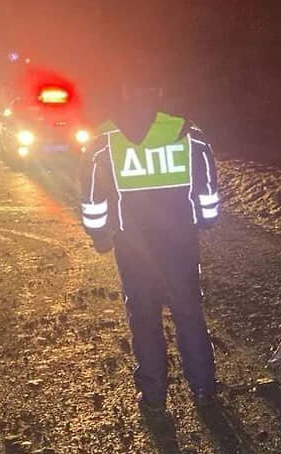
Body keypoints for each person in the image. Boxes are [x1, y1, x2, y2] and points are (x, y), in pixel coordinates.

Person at [79, 76, 219, 412]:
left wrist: (100, 235)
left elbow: (93, 199)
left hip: (133, 250)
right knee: (189, 313)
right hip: (180, 246)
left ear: (125, 92)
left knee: (144, 318)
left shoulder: (103, 141)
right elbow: (207, 191)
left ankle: (154, 396)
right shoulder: (190, 134)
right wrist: (203, 221)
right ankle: (203, 388)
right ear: (159, 92)